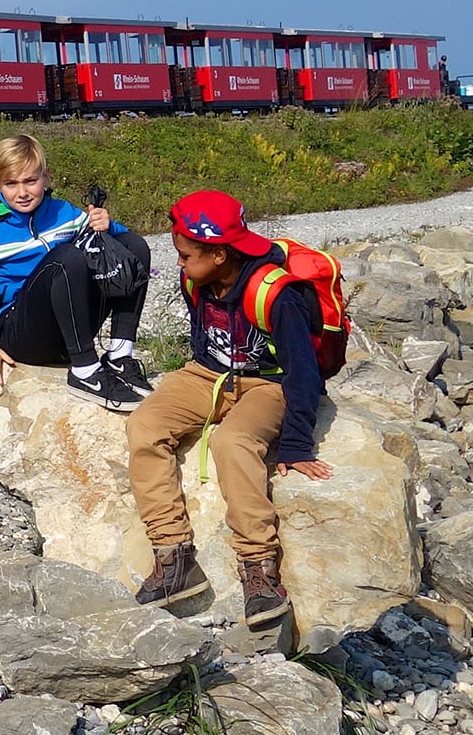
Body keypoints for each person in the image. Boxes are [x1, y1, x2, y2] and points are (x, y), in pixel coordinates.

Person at [131, 191, 333, 628]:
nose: (180, 265)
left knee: (233, 441)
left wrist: (297, 446)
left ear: (219, 254)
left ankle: (259, 569)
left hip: (267, 383)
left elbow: (304, 374)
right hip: (208, 374)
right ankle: (174, 558)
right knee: (145, 425)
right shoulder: (198, 280)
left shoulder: (278, 295)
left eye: (185, 256)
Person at [0, 133, 153, 413]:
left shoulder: (62, 212)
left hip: (68, 327)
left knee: (133, 246)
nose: (22, 192)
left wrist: (106, 225)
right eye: (11, 184)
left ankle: (120, 357)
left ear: (46, 177)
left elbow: (117, 243)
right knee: (66, 258)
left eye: (30, 181)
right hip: (19, 332)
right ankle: (85, 371)